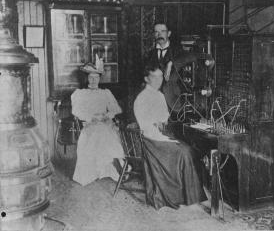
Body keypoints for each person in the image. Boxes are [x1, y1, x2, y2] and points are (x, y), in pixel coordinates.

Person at [133, 63, 206, 209]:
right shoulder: (141, 98)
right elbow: (145, 125)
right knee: (184, 152)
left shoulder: (160, 95)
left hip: (161, 134)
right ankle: (179, 196)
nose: (159, 80)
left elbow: (164, 116)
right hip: (151, 140)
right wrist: (156, 124)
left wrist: (162, 122)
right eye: (155, 77)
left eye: (161, 77)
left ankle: (190, 195)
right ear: (146, 79)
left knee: (190, 149)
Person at [71, 62, 124, 186]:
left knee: (107, 131)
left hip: (105, 123)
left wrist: (107, 115)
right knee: (101, 132)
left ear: (100, 78)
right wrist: (90, 118)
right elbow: (76, 111)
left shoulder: (105, 93)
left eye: (96, 77)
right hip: (89, 125)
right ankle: (116, 165)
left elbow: (117, 109)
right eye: (91, 77)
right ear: (87, 78)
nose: (94, 80)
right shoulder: (81, 93)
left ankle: (114, 167)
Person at [146, 22, 196, 110]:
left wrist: (171, 63)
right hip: (156, 103)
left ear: (169, 33)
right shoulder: (150, 54)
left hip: (174, 102)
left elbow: (192, 57)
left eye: (162, 31)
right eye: (156, 32)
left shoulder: (178, 50)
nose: (159, 34)